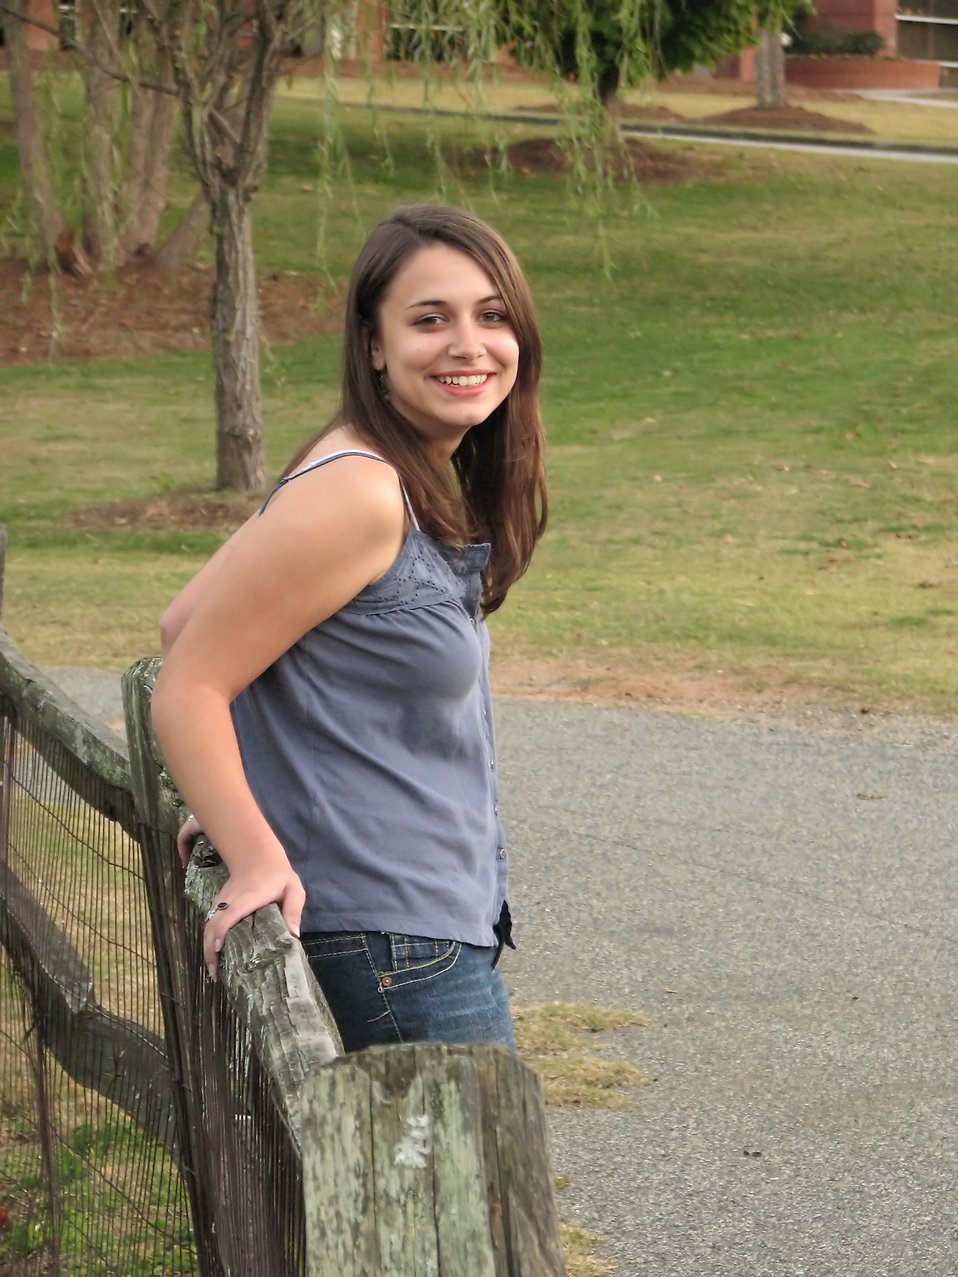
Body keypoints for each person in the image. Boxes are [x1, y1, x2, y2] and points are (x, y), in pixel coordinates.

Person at [151, 203, 547, 1053]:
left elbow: (185, 619)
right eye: (429, 319)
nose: (469, 345)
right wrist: (252, 851)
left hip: (409, 931)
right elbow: (190, 679)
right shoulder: (361, 490)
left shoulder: (369, 468)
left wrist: (236, 800)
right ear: (374, 343)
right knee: (466, 1190)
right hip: (393, 946)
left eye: (492, 315)